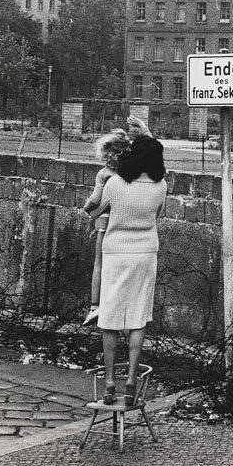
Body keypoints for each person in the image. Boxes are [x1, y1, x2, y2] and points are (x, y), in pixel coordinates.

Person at [89, 134, 167, 405]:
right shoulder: (161, 186)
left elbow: (94, 212)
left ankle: (110, 382)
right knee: (138, 315)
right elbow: (157, 216)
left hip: (116, 251)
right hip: (146, 252)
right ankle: (132, 381)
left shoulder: (114, 183)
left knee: (110, 315)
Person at [82, 116, 151, 327]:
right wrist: (146, 132)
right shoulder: (132, 173)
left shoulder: (104, 174)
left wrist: (86, 210)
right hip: (126, 223)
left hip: (104, 223)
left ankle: (95, 306)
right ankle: (121, 304)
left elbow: (95, 200)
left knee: (100, 264)